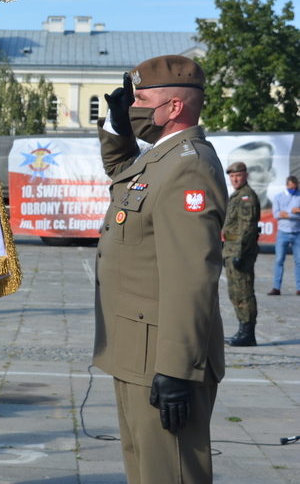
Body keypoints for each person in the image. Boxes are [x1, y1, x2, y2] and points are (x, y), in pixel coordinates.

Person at [95, 55, 226, 484]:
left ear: (173, 108)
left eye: (141, 99)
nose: (134, 107)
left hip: (161, 360)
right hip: (136, 351)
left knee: (171, 474)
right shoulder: (161, 159)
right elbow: (122, 174)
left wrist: (175, 369)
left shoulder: (189, 165)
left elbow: (192, 277)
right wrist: (118, 128)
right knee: (146, 471)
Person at [223, 161, 261, 346]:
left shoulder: (247, 197)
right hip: (230, 249)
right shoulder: (237, 195)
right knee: (235, 292)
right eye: (232, 176)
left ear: (245, 175)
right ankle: (242, 330)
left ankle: (248, 333)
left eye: (238, 176)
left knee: (244, 292)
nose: (235, 179)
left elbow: (247, 228)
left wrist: (239, 253)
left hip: (241, 251)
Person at [269, 175, 300, 296]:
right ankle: (276, 287)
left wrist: (287, 214)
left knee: (299, 261)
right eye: (292, 188)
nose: (294, 190)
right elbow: (276, 214)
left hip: (297, 232)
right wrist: (293, 212)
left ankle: (299, 287)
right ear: (287, 186)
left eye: (295, 188)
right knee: (279, 260)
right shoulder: (278, 197)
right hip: (283, 233)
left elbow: (283, 214)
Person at [227, 141, 276, 210]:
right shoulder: (224, 208)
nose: (243, 177)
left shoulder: (278, 212)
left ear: (272, 174)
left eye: (254, 170)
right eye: (236, 172)